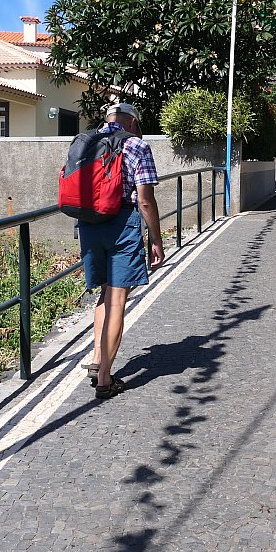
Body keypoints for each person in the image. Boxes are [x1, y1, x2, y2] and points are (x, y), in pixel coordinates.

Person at [79, 102, 164, 398]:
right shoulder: (137, 146)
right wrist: (156, 239)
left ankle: (96, 359)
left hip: (89, 224)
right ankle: (104, 380)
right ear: (132, 122)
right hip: (121, 224)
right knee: (117, 299)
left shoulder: (86, 141)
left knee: (104, 293)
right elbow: (144, 200)